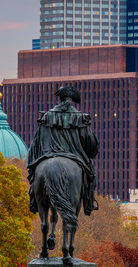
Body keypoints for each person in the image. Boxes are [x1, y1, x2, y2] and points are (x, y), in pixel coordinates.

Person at [26, 85, 99, 215]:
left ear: (60, 99)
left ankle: (33, 199)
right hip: (75, 156)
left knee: (34, 174)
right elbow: (90, 144)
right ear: (71, 101)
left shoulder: (47, 116)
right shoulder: (81, 118)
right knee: (91, 174)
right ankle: (89, 202)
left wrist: (31, 163)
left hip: (48, 154)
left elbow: (36, 142)